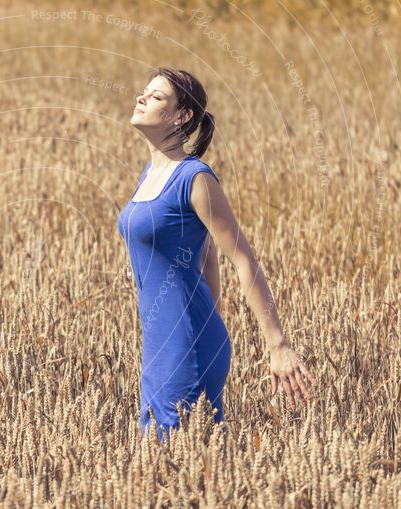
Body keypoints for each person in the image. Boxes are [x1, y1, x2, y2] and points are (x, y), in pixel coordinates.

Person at [116, 67, 319, 444]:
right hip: (162, 341)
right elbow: (205, 250)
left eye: (156, 96)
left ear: (182, 116)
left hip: (185, 342)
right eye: (144, 91)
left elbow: (242, 257)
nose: (141, 98)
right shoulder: (151, 173)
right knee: (167, 464)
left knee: (181, 458)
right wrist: (212, 314)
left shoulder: (195, 178)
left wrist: (278, 345)